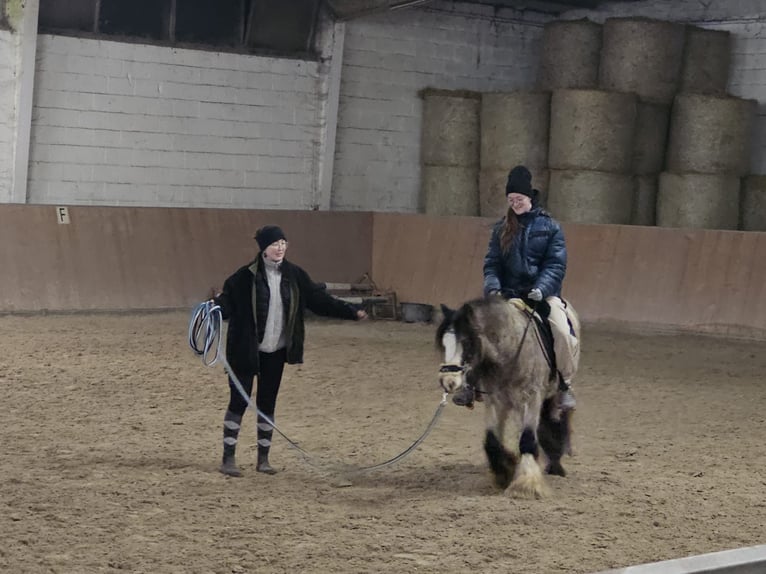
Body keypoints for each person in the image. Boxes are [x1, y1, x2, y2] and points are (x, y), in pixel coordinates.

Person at [213, 225, 367, 477]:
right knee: (239, 400)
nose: (280, 248)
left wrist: (349, 312)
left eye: (283, 243)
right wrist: (214, 308)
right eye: (275, 244)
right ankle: (228, 458)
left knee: (267, 402)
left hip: (276, 350)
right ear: (264, 248)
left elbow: (320, 301)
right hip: (245, 350)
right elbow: (226, 305)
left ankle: (263, 459)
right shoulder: (242, 278)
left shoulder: (295, 275)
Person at [452, 165, 580, 411]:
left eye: (519, 199)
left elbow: (555, 264)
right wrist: (494, 289)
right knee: (474, 328)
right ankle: (470, 381)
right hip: (508, 295)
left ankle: (564, 384)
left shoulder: (551, 227)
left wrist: (541, 289)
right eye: (511, 200)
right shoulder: (501, 229)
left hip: (542, 296)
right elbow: (492, 264)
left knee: (561, 331)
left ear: (529, 197)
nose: (515, 204)